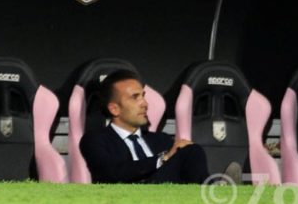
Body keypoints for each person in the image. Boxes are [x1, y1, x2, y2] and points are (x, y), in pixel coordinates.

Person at [80, 69, 210, 184]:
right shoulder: (95, 140)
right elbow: (111, 174)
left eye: (143, 96)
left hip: (168, 197)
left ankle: (211, 192)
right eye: (135, 97)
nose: (145, 104)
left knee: (191, 150)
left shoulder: (162, 140)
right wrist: (163, 158)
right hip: (126, 199)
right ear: (114, 109)